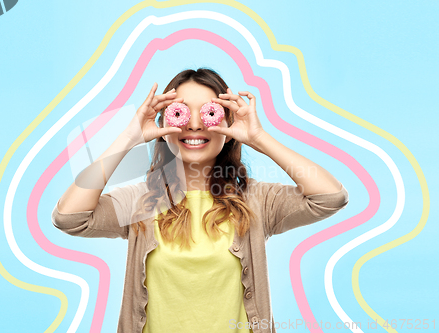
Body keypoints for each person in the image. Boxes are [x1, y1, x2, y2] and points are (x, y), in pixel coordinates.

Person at [52, 68, 349, 333]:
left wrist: (258, 138)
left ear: (229, 127)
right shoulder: (139, 202)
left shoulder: (256, 200)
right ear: (163, 128)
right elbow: (70, 217)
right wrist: (129, 137)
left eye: (208, 112)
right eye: (180, 113)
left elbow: (330, 197)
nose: (194, 125)